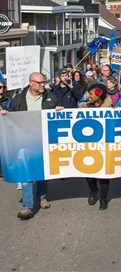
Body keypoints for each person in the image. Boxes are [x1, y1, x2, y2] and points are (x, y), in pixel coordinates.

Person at [3, 72, 60, 220]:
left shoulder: (51, 97)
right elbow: (12, 118)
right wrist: (5, 115)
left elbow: (57, 117)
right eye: (40, 82)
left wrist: (59, 111)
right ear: (31, 83)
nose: (43, 85)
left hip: (43, 140)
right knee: (26, 173)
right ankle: (28, 206)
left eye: (43, 82)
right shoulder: (19, 100)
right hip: (24, 142)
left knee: (42, 172)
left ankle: (41, 197)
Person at [79, 83, 112, 210]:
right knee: (89, 174)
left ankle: (103, 199)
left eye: (91, 93)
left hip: (105, 147)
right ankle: (93, 190)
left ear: (99, 95)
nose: (88, 96)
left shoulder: (110, 109)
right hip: (89, 147)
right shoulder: (83, 108)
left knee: (104, 174)